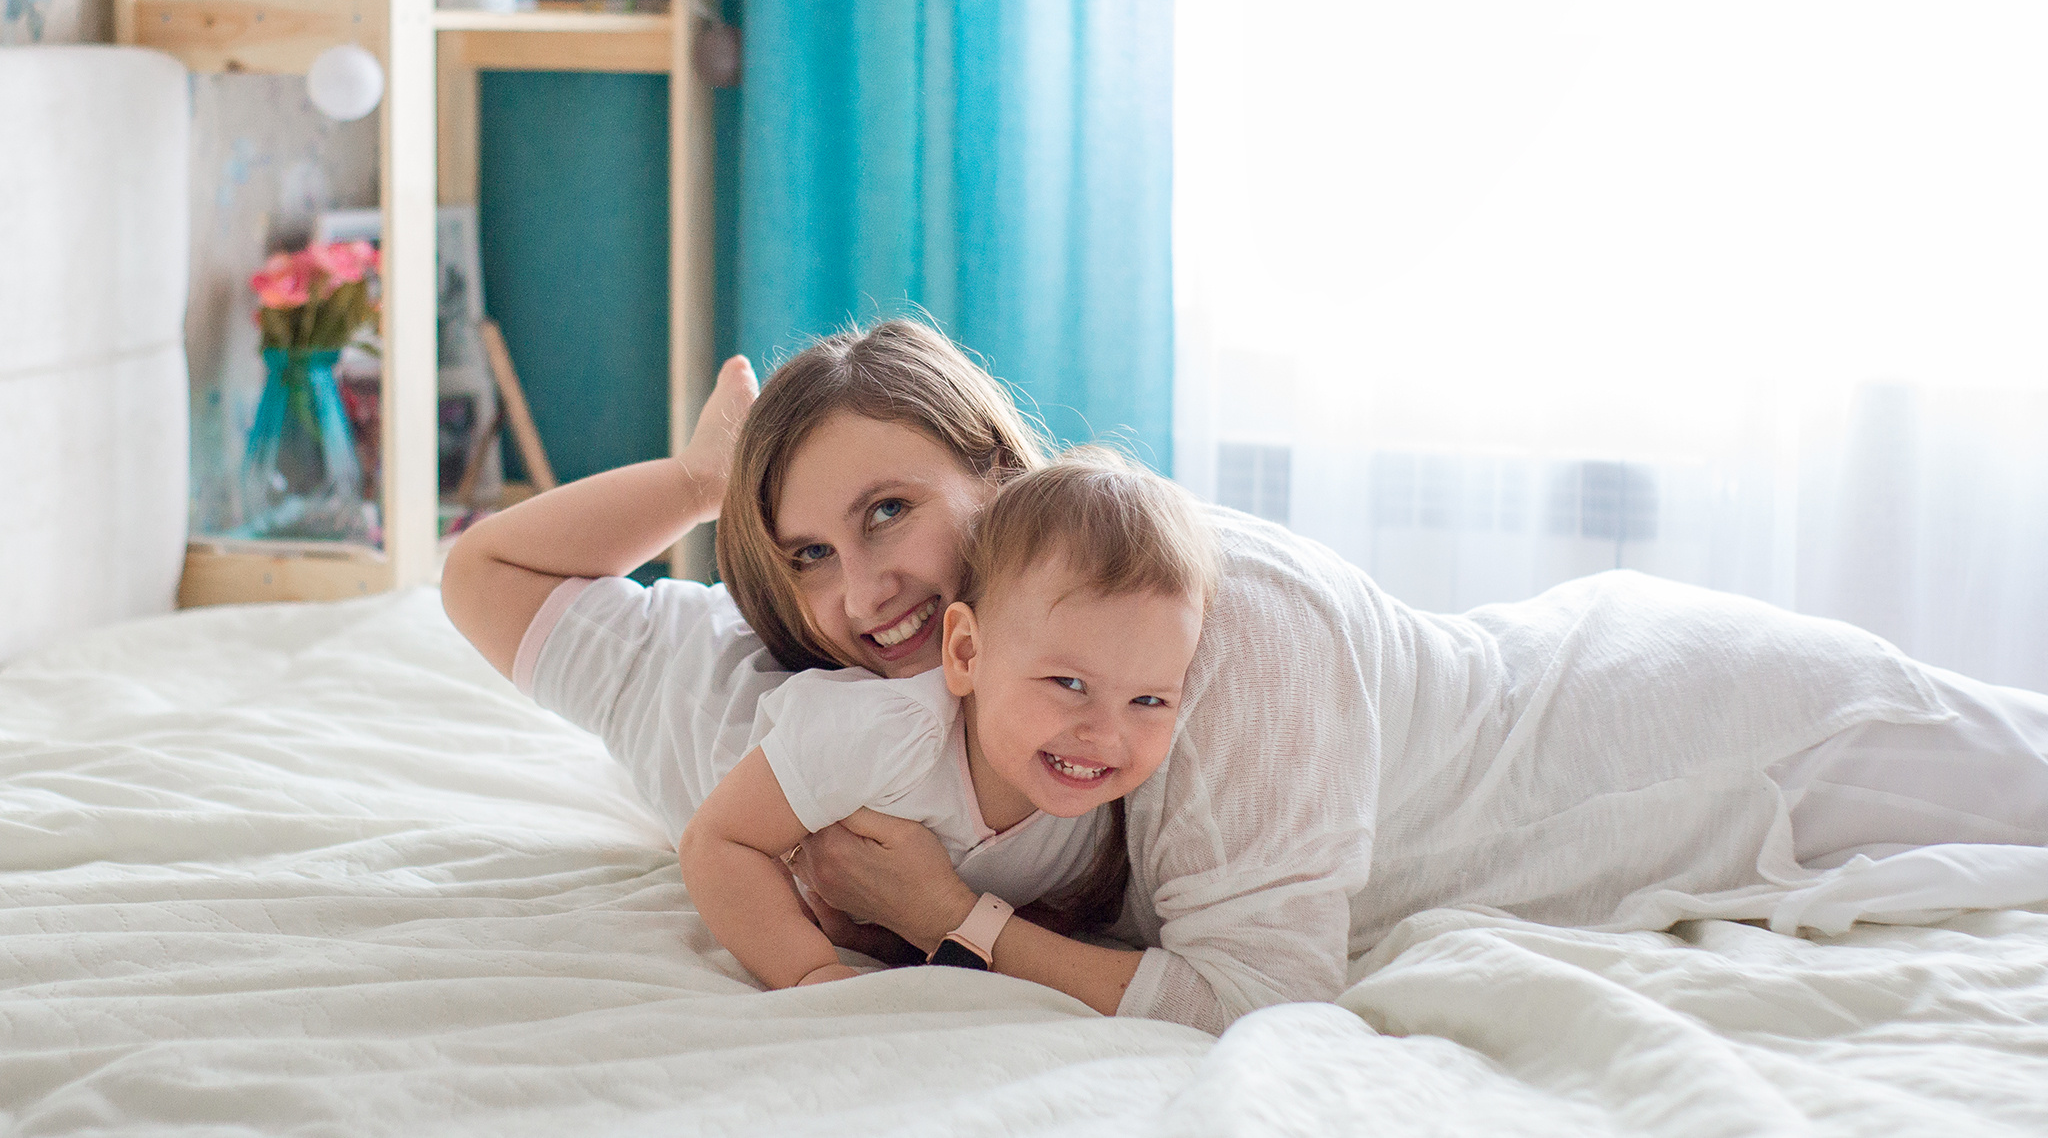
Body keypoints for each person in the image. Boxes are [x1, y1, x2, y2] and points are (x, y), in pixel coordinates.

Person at [442, 319, 2048, 1036]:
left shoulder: (1218, 626)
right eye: (802, 553)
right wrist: (701, 476)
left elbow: (1267, 997)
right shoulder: (788, 704)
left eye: (888, 514)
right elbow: (486, 576)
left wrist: (960, 921)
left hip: (1684, 741)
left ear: (999, 475)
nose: (861, 592)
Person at [677, 450, 1216, 992]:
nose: (1105, 735)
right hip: (699, 710)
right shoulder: (886, 731)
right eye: (1069, 684)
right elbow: (718, 841)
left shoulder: (1104, 811)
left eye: (1148, 700)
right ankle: (693, 485)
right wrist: (809, 971)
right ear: (965, 653)